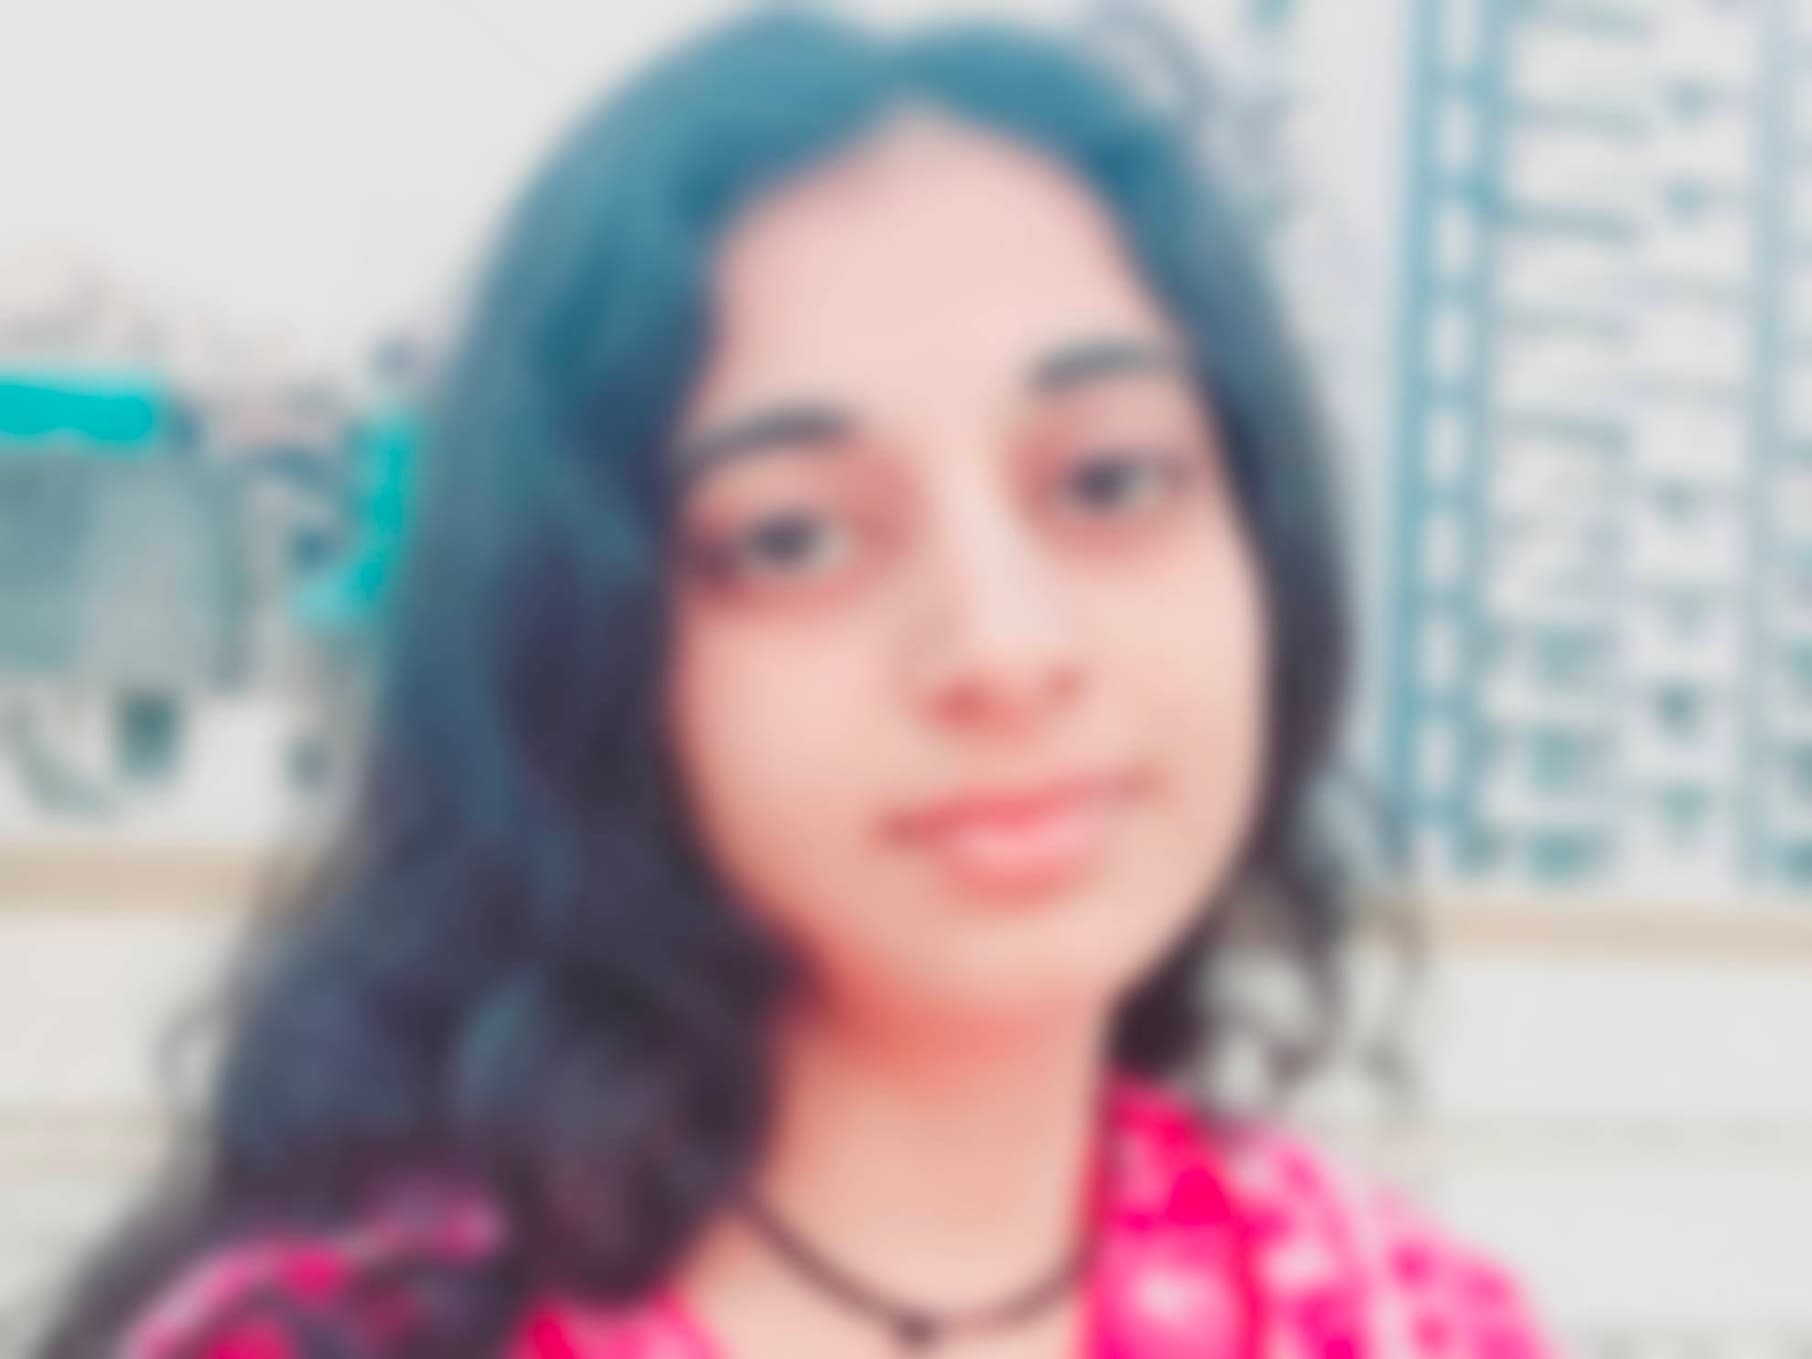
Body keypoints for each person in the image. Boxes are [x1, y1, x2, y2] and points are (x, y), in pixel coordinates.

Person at [38, 7, 1556, 1356]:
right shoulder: (345, 1338)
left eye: (1107, 482)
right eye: (793, 538)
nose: (1004, 650)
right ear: (595, 650)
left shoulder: (1407, 1321)